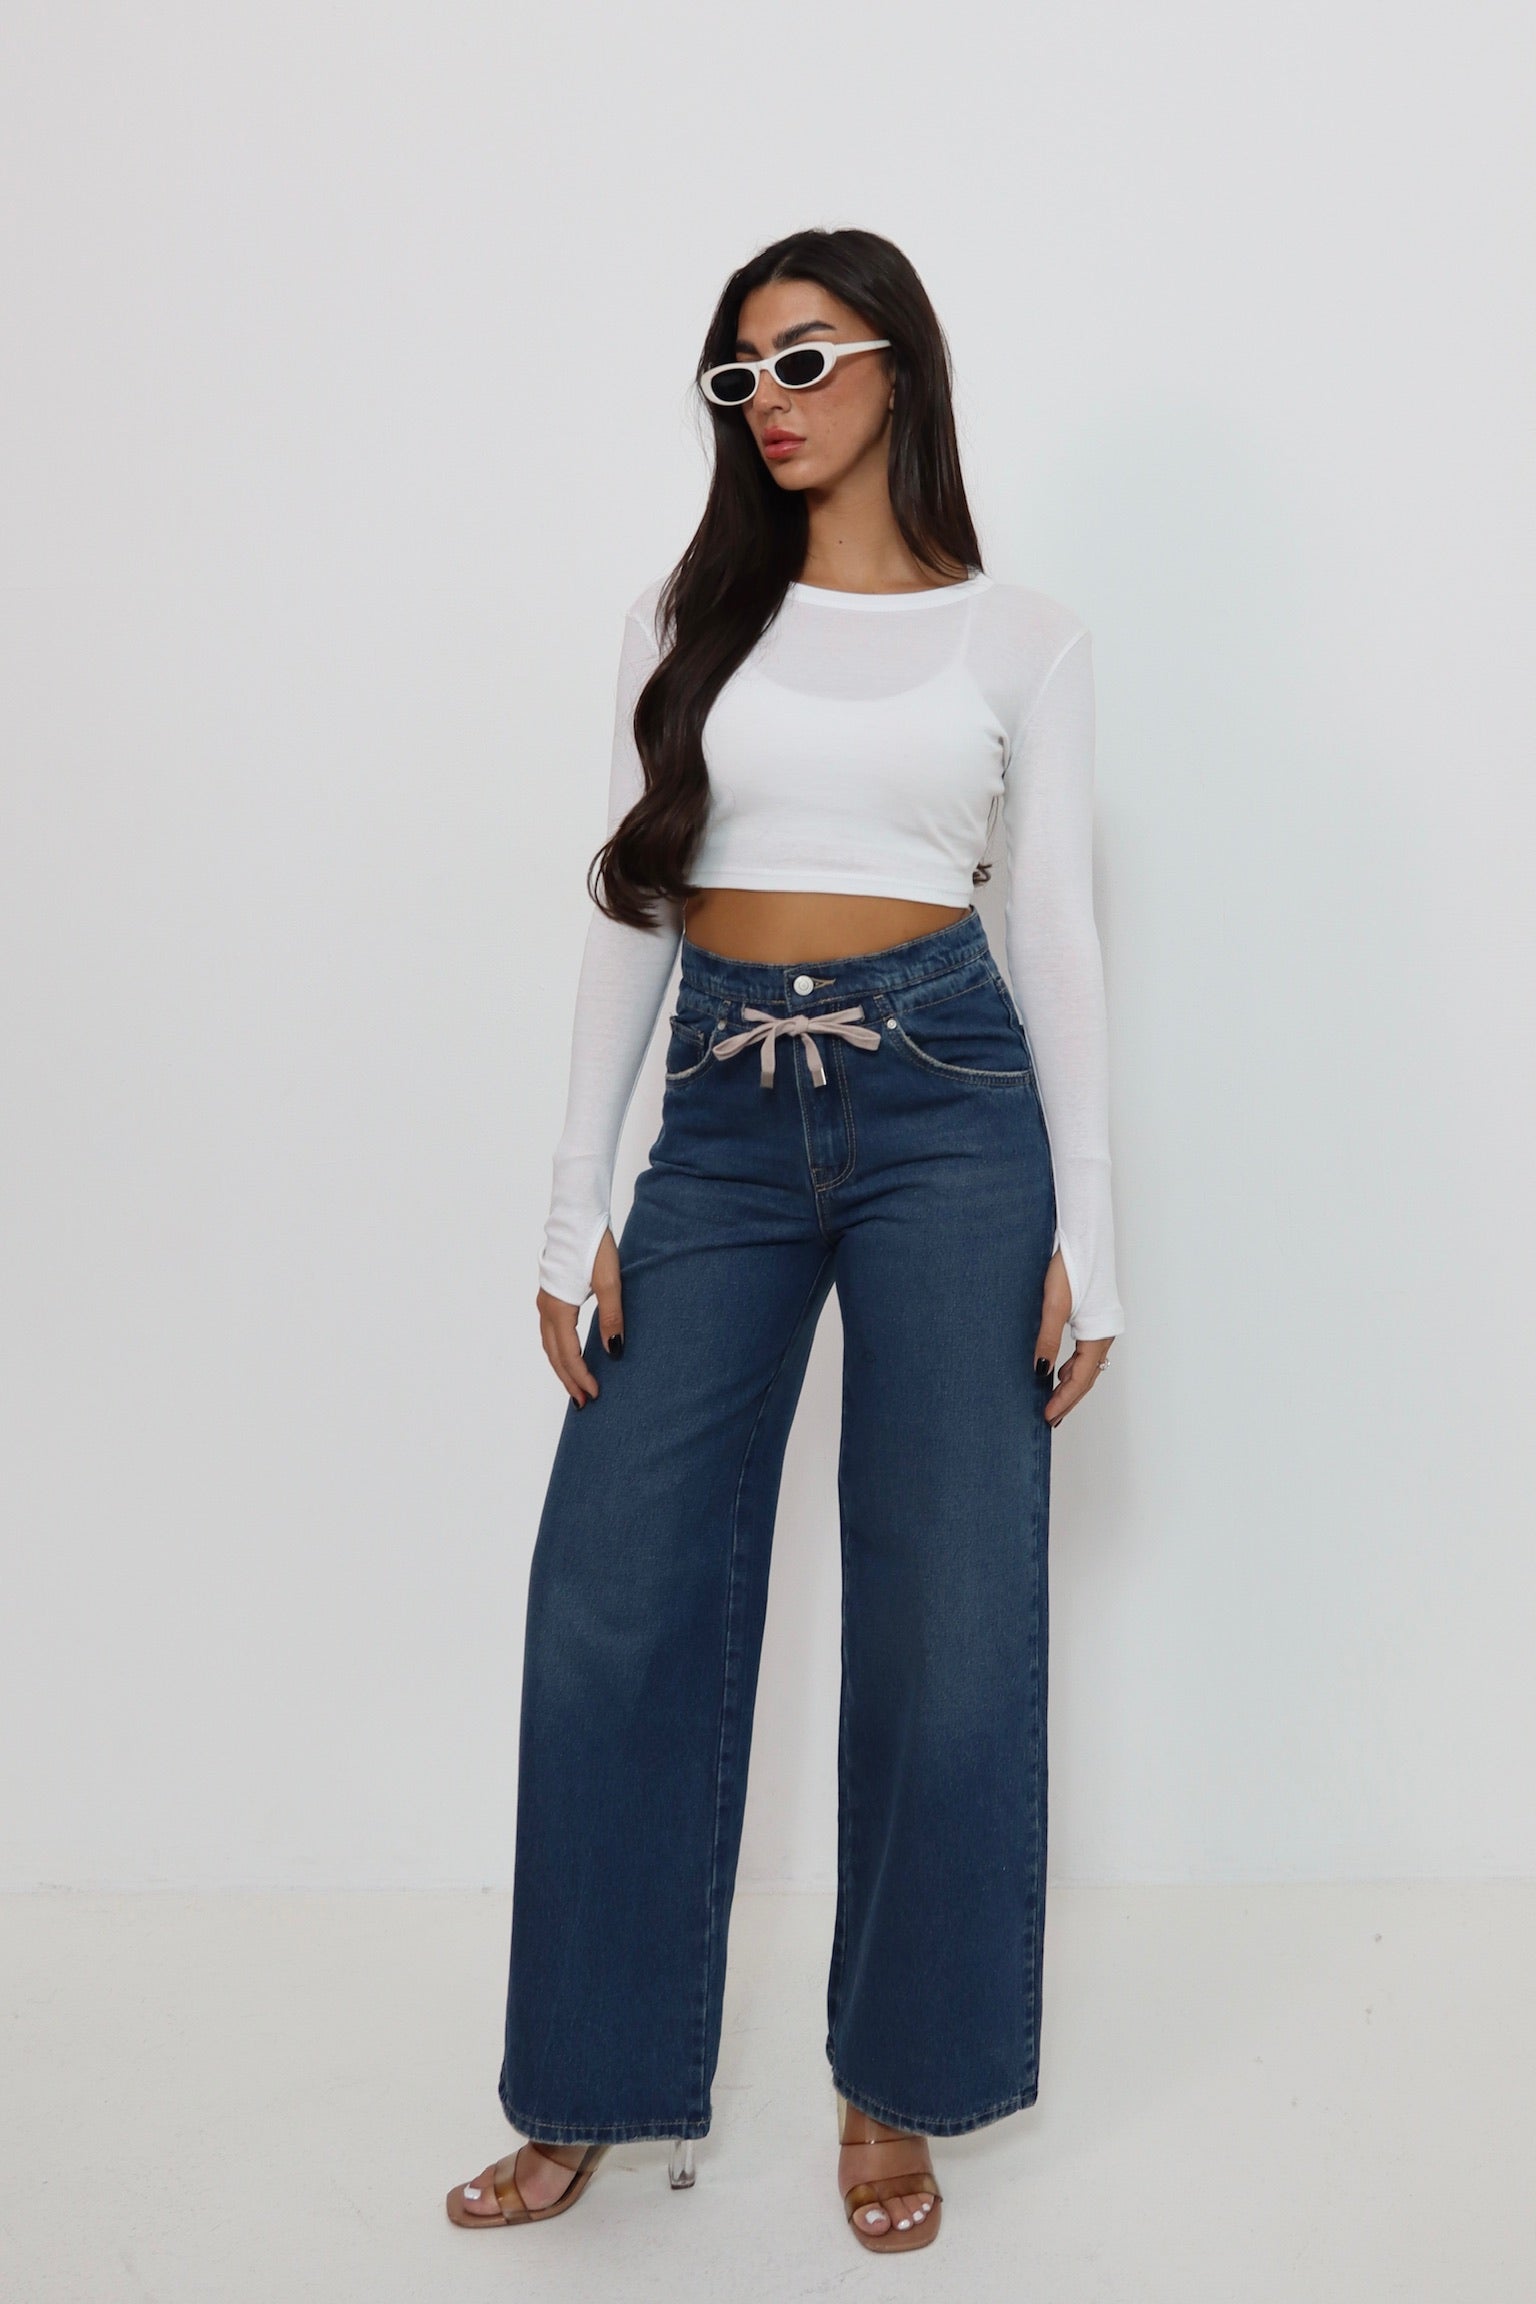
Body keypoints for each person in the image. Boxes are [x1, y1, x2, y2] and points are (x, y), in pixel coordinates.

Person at [446, 225, 1125, 2255]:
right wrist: (574, 1204)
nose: (770, 399)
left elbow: (1058, 934)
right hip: (724, 1125)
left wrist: (1095, 1230)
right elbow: (628, 902)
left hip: (952, 1113)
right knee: (612, 1595)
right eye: (738, 374)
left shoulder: (1023, 638)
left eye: (805, 356)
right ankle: (588, 2081)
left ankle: (896, 2085)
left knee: (948, 1612)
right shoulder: (686, 618)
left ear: (898, 363)